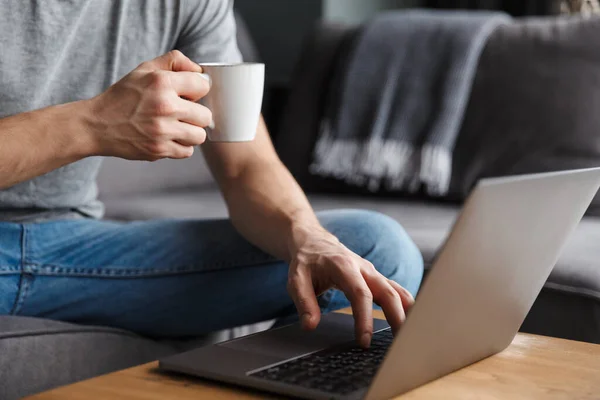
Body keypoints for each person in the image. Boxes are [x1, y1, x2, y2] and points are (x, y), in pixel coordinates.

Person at [0, 0, 423, 348]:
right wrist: (89, 124)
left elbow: (246, 165)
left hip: (70, 241)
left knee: (375, 249)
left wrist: (308, 239)